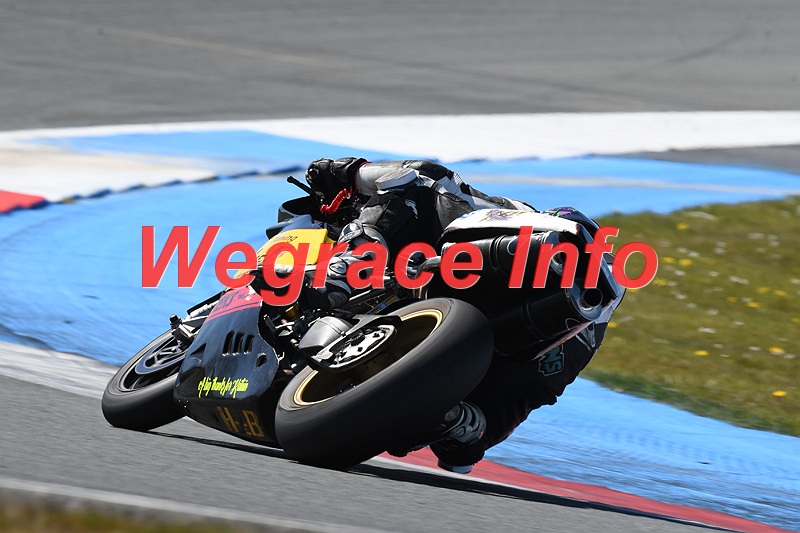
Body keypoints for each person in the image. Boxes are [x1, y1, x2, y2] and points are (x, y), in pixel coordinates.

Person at [300, 157, 623, 474]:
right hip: (528, 327)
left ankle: (347, 269)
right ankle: (452, 418)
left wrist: (352, 172)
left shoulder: (509, 218)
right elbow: (463, 456)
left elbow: (427, 177)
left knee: (419, 181)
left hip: (502, 312)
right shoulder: (578, 342)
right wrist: (463, 427)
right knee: (468, 438)